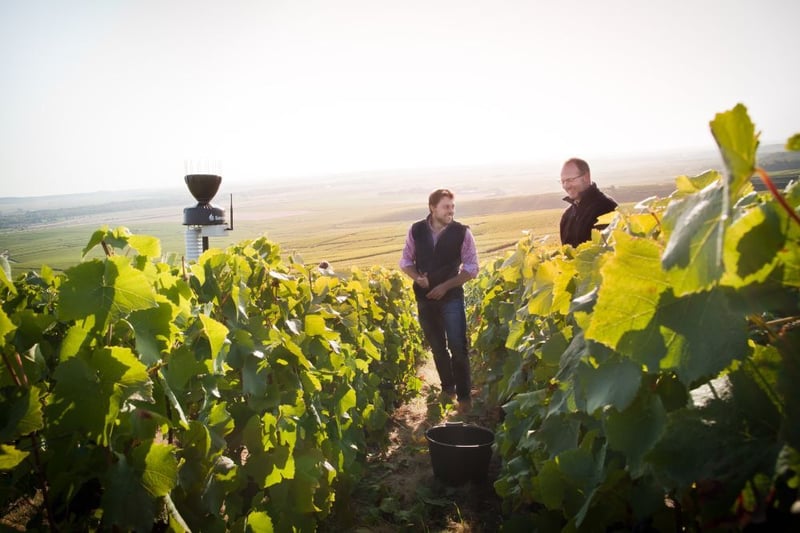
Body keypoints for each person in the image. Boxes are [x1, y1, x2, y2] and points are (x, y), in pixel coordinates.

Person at [400, 188, 479, 411]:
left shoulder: (463, 232)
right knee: (437, 347)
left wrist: (445, 286)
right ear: (432, 208)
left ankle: (464, 398)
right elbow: (405, 260)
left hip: (451, 297)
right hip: (425, 299)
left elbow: (472, 268)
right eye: (446, 207)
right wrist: (417, 277)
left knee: (458, 346)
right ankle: (447, 389)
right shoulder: (415, 230)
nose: (450, 211)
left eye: (452, 207)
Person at [559, 157, 618, 247]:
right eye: (563, 181)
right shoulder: (567, 215)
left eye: (570, 180)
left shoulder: (607, 208)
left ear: (586, 177)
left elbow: (610, 252)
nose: (566, 186)